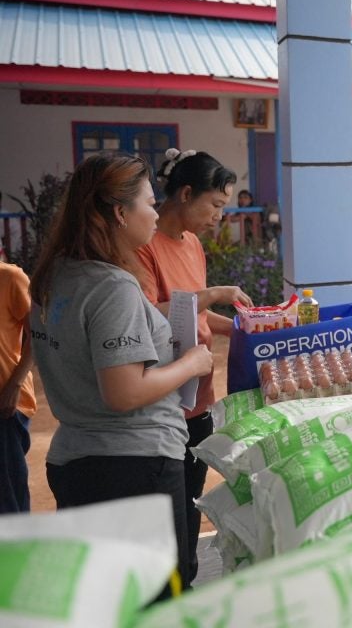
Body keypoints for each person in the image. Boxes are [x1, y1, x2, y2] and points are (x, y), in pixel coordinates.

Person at [29, 152, 214, 592]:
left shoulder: (56, 275)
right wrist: (192, 362)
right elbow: (124, 391)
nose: (155, 212)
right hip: (133, 467)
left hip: (76, 458)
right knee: (154, 599)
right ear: (119, 212)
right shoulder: (111, 287)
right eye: (149, 203)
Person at [136, 148, 253, 585]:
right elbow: (146, 314)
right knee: (166, 524)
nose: (219, 216)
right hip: (162, 404)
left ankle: (182, 586)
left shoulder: (192, 245)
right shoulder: (144, 246)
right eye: (216, 205)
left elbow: (196, 318)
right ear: (185, 193)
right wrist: (213, 294)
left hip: (198, 399)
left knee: (187, 509)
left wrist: (246, 327)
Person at [0, 256, 33, 514]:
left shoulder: (10, 278)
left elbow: (38, 332)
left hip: (5, 403)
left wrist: (15, 385)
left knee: (8, 495)